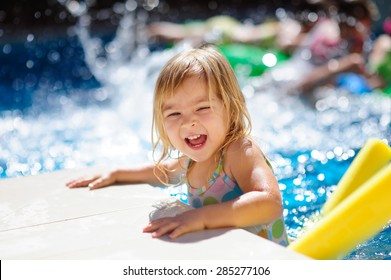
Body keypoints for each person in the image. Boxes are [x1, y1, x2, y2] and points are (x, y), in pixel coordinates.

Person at [66, 45, 289, 246]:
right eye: (174, 113)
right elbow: (161, 172)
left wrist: (201, 218)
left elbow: (269, 202)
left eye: (202, 108)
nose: (188, 121)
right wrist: (117, 173)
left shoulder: (239, 151)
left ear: (231, 106)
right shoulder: (191, 162)